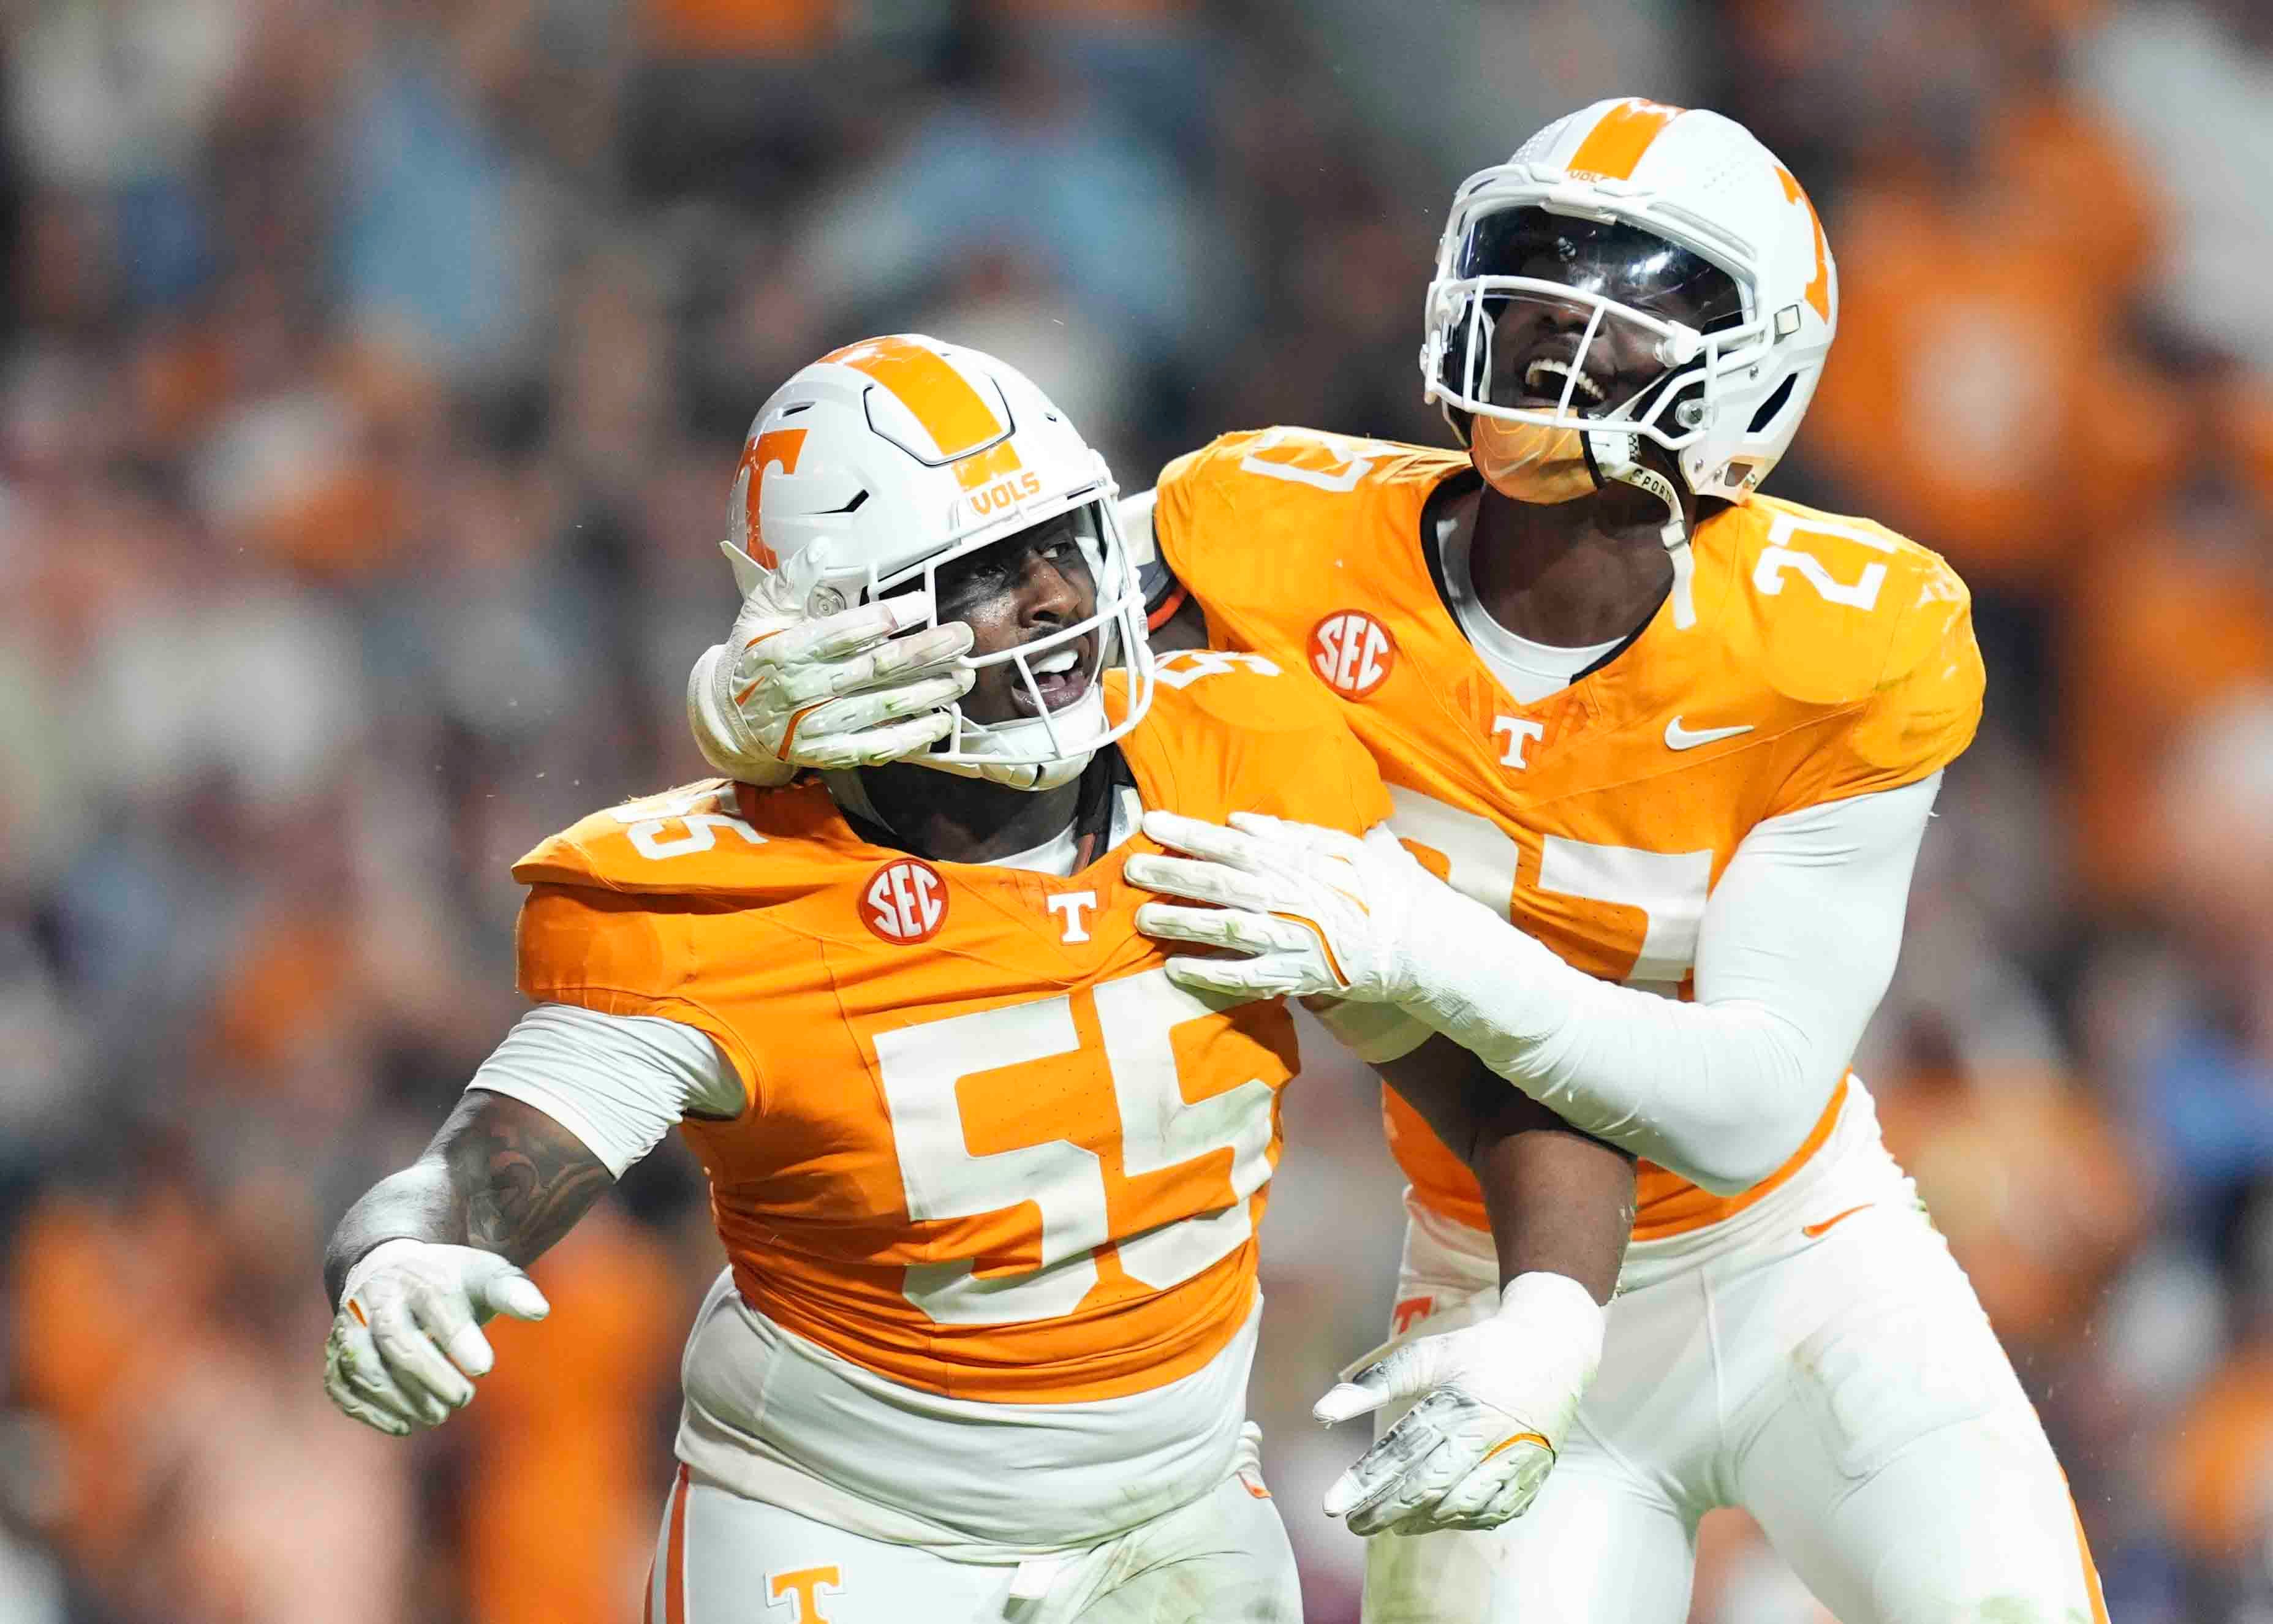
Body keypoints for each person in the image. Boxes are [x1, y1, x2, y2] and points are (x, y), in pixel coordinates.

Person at [684, 104, 2111, 1623]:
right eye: (1534, 265)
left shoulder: (1845, 638)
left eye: (1626, 292)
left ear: (1755, 364)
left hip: (1798, 1262)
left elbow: (1747, 1099)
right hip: (1492, 1272)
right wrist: (737, 709)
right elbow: (961, 612)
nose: (1555, 318)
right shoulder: (1270, 522)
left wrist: (1419, 942)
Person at [317, 334, 1620, 1624]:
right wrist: (402, 1258)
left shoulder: (1240, 770)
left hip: (1181, 1513)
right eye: (983, 571)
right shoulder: (723, 901)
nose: (1053, 596)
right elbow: (475, 1174)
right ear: (839, 626)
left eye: (1062, 544)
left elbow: (1515, 1081)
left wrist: (1550, 1321)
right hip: (842, 1529)